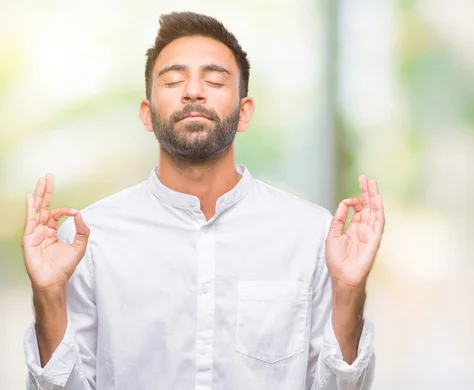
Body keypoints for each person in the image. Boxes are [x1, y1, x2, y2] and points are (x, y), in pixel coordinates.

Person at [21, 11, 385, 390]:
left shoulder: (310, 234)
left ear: (244, 113)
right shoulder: (88, 239)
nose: (193, 91)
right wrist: (47, 294)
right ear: (147, 114)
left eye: (213, 80)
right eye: (174, 79)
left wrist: (350, 292)